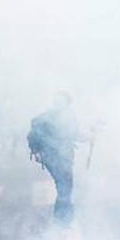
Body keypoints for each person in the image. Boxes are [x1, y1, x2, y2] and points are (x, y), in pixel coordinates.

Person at [28, 92, 83, 224]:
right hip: (53, 156)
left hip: (64, 157)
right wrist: (37, 151)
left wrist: (90, 136)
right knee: (64, 186)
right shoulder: (46, 117)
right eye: (58, 101)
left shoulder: (68, 117)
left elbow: (74, 134)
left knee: (65, 186)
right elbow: (33, 134)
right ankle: (63, 219)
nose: (59, 104)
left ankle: (64, 217)